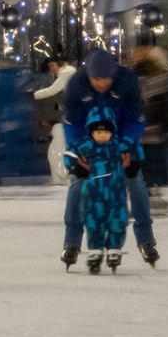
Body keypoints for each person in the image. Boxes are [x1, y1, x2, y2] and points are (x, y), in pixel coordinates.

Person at [61, 48, 157, 268]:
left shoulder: (127, 82)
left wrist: (127, 149)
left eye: (105, 79)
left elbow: (136, 119)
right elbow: (72, 124)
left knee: (135, 182)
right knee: (77, 184)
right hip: (88, 143)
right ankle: (71, 242)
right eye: (96, 79)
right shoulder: (76, 84)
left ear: (113, 75)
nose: (101, 84)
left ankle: (146, 239)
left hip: (120, 141)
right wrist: (77, 156)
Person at [65, 110, 132, 274]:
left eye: (106, 132)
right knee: (93, 221)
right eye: (98, 132)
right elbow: (69, 153)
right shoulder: (85, 146)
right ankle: (95, 250)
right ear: (91, 132)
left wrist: (134, 163)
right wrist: (75, 167)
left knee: (118, 220)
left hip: (115, 193)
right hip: (93, 194)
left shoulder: (117, 145)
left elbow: (134, 150)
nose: (102, 136)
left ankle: (114, 247)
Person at [128, 38, 168, 213]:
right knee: (146, 166)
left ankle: (147, 195)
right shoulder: (135, 77)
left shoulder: (153, 77)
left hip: (146, 131)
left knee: (146, 166)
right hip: (145, 132)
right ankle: (145, 196)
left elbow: (164, 104)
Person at [33, 54, 76, 186]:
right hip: (68, 115)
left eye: (52, 65)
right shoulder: (68, 73)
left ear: (61, 63)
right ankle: (61, 176)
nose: (51, 68)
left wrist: (35, 94)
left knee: (57, 146)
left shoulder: (67, 73)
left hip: (69, 116)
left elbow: (53, 90)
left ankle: (61, 177)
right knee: (60, 145)